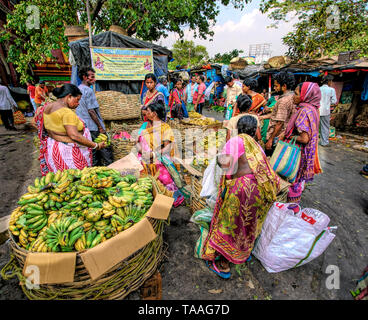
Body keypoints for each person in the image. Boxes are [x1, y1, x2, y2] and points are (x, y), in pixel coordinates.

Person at [201, 115, 280, 278]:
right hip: (258, 190)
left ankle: (223, 264)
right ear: (254, 130)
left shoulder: (235, 142)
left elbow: (226, 165)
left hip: (243, 189)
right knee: (247, 224)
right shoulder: (256, 146)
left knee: (230, 225)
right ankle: (243, 254)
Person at [32, 84, 106, 175]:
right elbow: (74, 135)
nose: (78, 103)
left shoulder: (46, 107)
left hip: (55, 148)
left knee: (62, 178)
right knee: (76, 178)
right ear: (69, 96)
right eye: (77, 100)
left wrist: (56, 134)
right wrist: (96, 145)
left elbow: (34, 123)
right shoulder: (66, 112)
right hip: (69, 153)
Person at [136, 102, 185, 207]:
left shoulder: (165, 127)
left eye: (148, 111)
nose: (145, 113)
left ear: (154, 113)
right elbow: (137, 142)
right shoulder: (145, 125)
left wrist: (153, 154)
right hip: (143, 156)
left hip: (158, 157)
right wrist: (142, 151)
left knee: (163, 176)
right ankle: (148, 199)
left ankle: (166, 199)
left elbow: (167, 147)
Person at [280, 82, 323, 203]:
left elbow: (304, 138)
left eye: (297, 93)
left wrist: (288, 135)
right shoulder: (314, 109)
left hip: (299, 153)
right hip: (307, 153)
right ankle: (293, 207)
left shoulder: (304, 111)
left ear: (306, 95)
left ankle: (290, 209)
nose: (294, 96)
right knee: (298, 183)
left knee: (293, 180)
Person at [77, 67, 113, 166]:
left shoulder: (78, 89)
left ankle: (95, 170)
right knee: (105, 149)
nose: (94, 79)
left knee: (92, 151)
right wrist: (100, 127)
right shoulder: (88, 90)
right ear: (84, 77)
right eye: (92, 77)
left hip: (84, 127)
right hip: (93, 126)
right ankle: (111, 167)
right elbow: (91, 111)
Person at [260, 71, 296, 156]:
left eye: (276, 86)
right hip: (285, 135)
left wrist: (270, 140)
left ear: (284, 86)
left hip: (277, 137)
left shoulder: (283, 101)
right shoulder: (293, 97)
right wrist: (262, 117)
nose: (274, 88)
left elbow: (279, 123)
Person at [319, 75, 337, 147]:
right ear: (329, 81)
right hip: (326, 111)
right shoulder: (331, 90)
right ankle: (324, 142)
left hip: (317, 110)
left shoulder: (318, 89)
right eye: (331, 81)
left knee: (315, 126)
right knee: (325, 127)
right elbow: (334, 101)